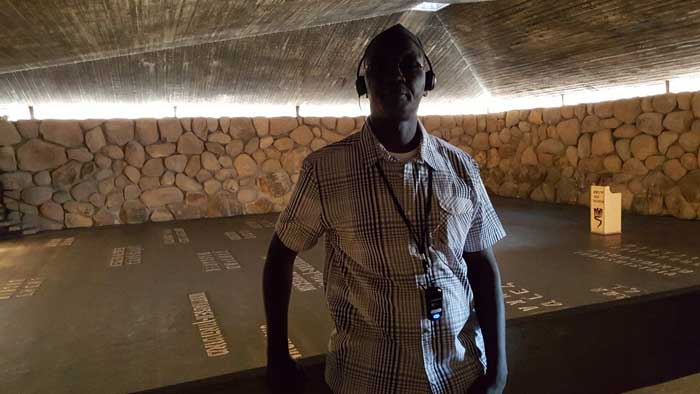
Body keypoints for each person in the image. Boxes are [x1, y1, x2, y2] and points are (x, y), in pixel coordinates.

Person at [263, 24, 507, 394]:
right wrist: (277, 354)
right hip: (369, 378)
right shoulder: (325, 171)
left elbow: (482, 267)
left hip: (460, 376)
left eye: (410, 65)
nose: (397, 76)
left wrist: (498, 369)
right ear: (363, 83)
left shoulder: (461, 167)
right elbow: (280, 256)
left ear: (429, 79)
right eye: (381, 66)